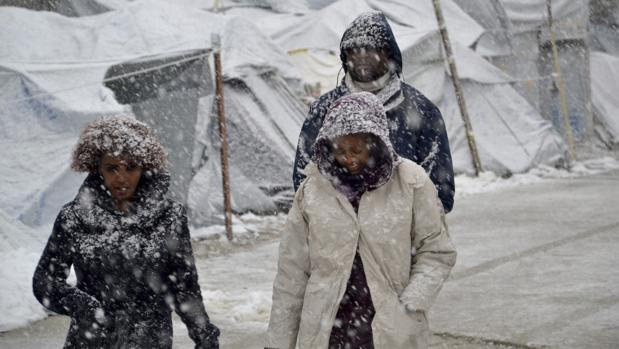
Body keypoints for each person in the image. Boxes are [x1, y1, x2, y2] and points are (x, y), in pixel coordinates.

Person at [266, 92, 456, 349]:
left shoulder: (410, 182)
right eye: (340, 150)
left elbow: (436, 251)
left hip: (390, 325)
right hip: (327, 327)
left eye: (357, 149)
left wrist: (411, 303)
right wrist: (279, 343)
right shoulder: (312, 191)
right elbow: (292, 273)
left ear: (376, 143)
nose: (349, 158)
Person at [32, 116, 220, 349]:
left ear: (144, 166)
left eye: (130, 167)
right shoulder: (74, 217)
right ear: (97, 169)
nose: (121, 178)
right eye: (112, 168)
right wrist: (85, 307)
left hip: (150, 340)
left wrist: (204, 336)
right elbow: (45, 280)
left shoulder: (169, 216)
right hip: (90, 341)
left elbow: (184, 285)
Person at [293, 11, 455, 213]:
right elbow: (304, 178)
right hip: (340, 235)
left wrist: (411, 225)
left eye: (369, 49)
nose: (361, 57)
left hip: (400, 236)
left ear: (388, 53)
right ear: (345, 57)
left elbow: (440, 189)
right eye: (353, 50)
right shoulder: (324, 110)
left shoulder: (421, 110)